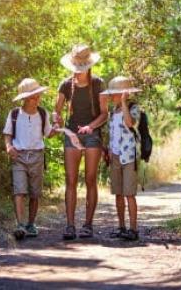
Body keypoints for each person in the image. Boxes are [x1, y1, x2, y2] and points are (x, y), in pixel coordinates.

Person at [54, 44, 108, 240]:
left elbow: (104, 114)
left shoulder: (98, 83)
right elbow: (57, 111)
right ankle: (70, 225)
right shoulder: (65, 85)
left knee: (91, 179)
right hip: (71, 134)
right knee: (71, 180)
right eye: (76, 67)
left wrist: (91, 127)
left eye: (81, 67)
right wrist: (56, 120)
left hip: (92, 134)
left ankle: (87, 224)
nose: (78, 71)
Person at [3, 78, 56, 240]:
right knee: (19, 191)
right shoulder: (14, 114)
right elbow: (7, 134)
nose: (37, 99)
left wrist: (57, 127)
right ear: (25, 99)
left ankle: (31, 224)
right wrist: (9, 147)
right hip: (18, 156)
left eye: (38, 96)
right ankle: (20, 225)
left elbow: (49, 134)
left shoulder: (42, 113)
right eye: (34, 97)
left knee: (35, 193)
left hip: (37, 156)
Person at [101, 76, 142, 241]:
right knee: (118, 193)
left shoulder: (133, 108)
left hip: (129, 156)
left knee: (129, 193)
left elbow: (130, 123)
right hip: (116, 156)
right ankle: (121, 227)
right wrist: (109, 150)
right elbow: (112, 133)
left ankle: (133, 229)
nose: (112, 97)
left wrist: (124, 103)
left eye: (115, 94)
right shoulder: (112, 111)